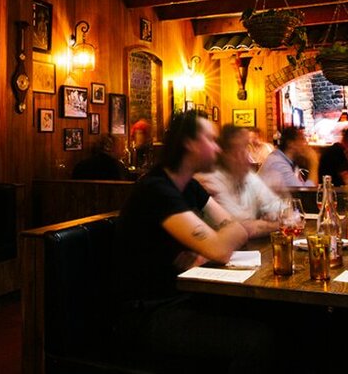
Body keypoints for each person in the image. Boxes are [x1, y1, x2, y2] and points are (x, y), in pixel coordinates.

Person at [112, 110, 275, 373]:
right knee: (257, 340)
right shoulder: (157, 189)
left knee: (271, 315)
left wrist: (223, 237)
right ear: (190, 143)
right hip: (148, 313)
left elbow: (229, 228)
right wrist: (225, 236)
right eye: (210, 139)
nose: (216, 147)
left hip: (184, 296)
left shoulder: (188, 186)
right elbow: (221, 248)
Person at [195, 125, 284, 238]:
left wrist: (268, 222)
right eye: (238, 149)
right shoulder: (209, 181)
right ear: (224, 153)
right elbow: (242, 228)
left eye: (247, 148)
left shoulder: (249, 177)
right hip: (219, 252)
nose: (246, 155)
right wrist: (275, 224)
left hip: (249, 251)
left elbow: (283, 211)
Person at [258, 126, 318, 192]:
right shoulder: (278, 163)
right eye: (302, 140)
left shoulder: (287, 161)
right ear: (291, 144)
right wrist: (314, 164)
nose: (306, 145)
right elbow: (305, 195)